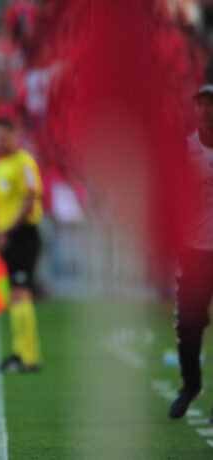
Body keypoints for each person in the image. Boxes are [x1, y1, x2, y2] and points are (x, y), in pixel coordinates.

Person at [169, 84, 213, 420]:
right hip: (195, 251)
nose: (208, 110)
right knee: (188, 325)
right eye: (202, 104)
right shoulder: (185, 150)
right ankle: (191, 384)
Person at [0, 118, 44, 373]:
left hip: (22, 234)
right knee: (15, 294)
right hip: (7, 236)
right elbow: (2, 204)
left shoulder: (25, 162)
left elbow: (29, 201)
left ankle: (29, 357)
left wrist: (8, 230)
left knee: (22, 292)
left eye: (3, 137)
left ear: (14, 135)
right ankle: (21, 353)